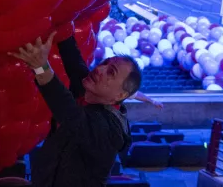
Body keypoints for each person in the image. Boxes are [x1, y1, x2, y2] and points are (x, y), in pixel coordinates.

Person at [12, 29, 141, 187]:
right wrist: (64, 24)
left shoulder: (109, 129)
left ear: (120, 95)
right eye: (104, 63)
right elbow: (74, 61)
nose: (99, 69)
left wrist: (41, 67)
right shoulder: (91, 91)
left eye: (111, 73)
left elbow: (69, 113)